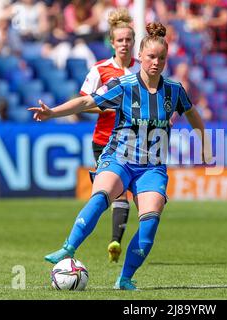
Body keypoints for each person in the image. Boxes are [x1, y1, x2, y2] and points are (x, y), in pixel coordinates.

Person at [28, 22, 208, 290]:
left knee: (149, 222)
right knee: (102, 197)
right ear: (141, 56)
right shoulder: (123, 85)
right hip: (119, 158)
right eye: (150, 57)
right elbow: (88, 102)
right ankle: (68, 248)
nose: (156, 63)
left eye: (161, 58)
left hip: (152, 167)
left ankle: (124, 279)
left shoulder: (174, 90)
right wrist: (53, 112)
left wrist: (203, 140)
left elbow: (192, 113)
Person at [78, 8, 140, 263]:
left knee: (123, 192)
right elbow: (84, 103)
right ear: (112, 43)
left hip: (134, 142)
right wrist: (106, 104)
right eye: (120, 40)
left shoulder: (143, 70)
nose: (124, 44)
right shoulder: (100, 70)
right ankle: (113, 239)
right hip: (104, 140)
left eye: (128, 40)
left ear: (133, 43)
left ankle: (115, 240)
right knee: (112, 192)